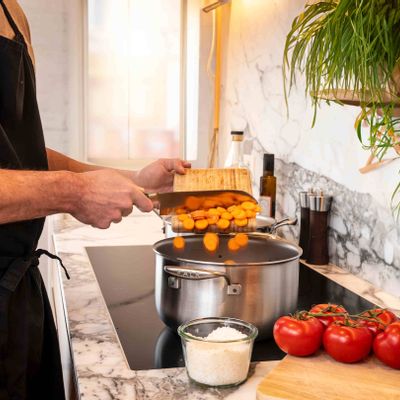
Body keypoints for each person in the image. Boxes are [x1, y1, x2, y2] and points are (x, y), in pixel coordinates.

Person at [0, 0, 190, 398]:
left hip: (16, 300)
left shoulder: (13, 14)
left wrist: (134, 177)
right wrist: (74, 192)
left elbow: (24, 155)